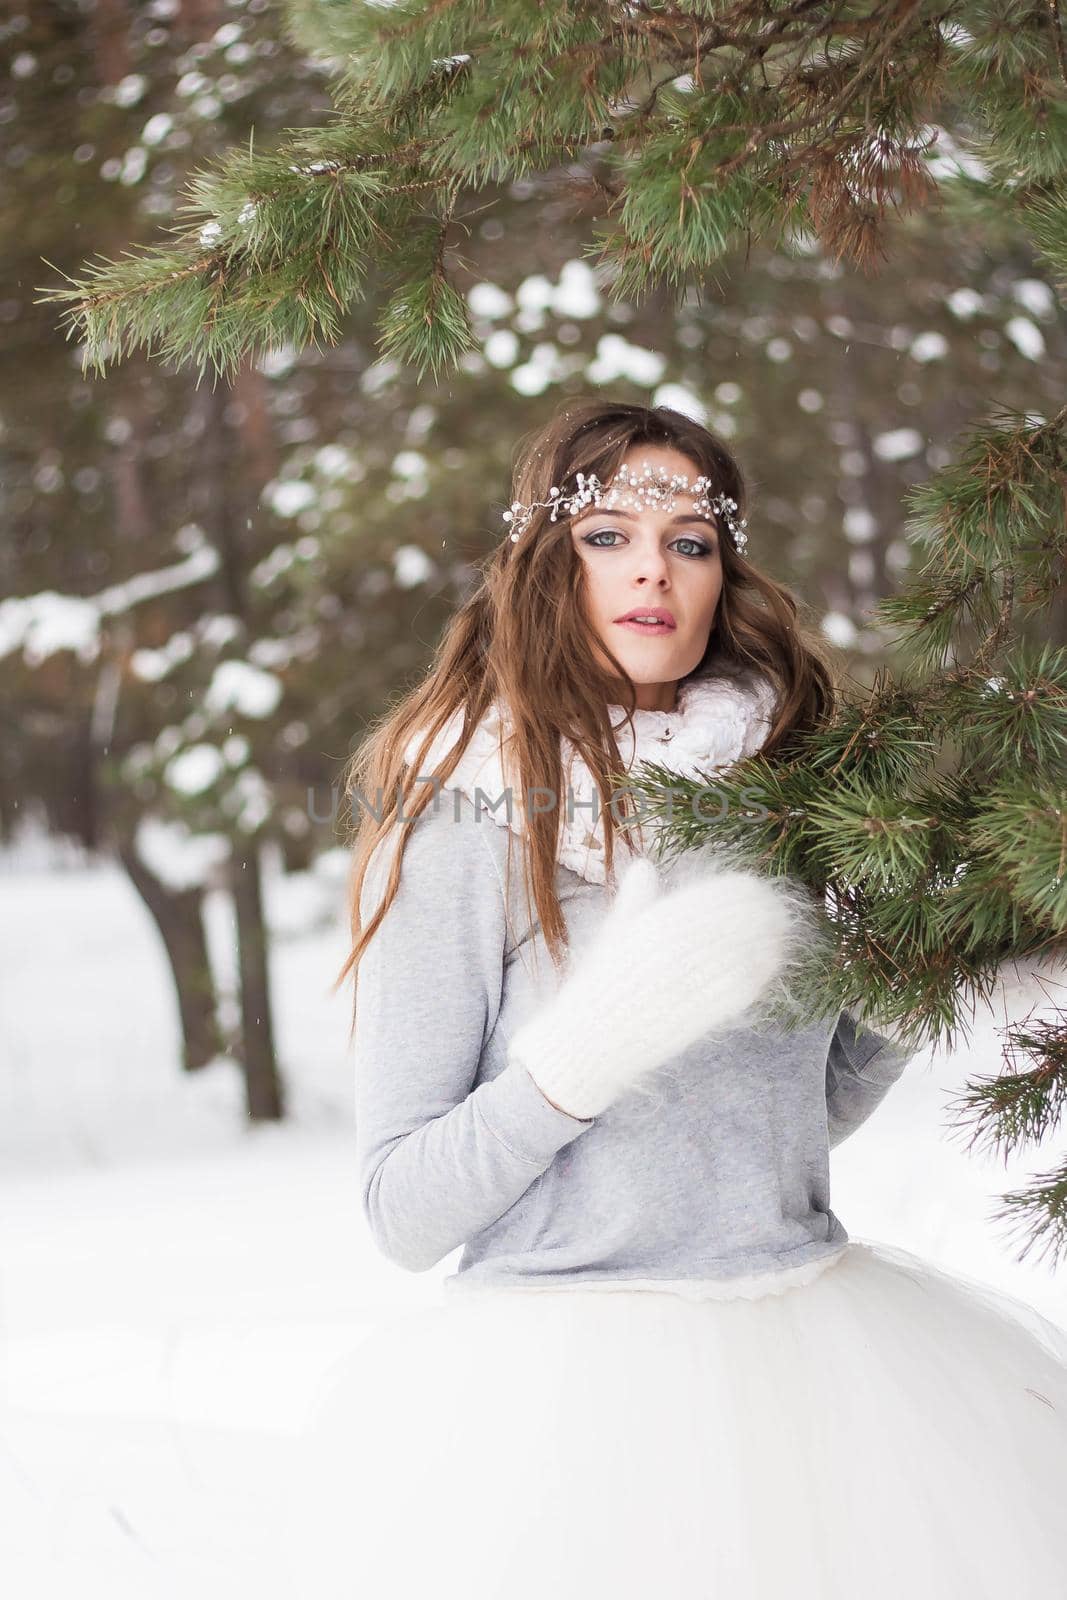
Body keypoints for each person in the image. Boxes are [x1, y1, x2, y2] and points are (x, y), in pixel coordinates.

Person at [282, 399, 1067, 1598]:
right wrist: (583, 1055)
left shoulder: (778, 790)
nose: (653, 565)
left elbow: (777, 1124)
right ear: (544, 565)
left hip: (819, 1367)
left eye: (690, 540)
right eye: (606, 533)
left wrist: (928, 996)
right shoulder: (464, 808)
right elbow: (402, 1209)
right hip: (562, 1408)